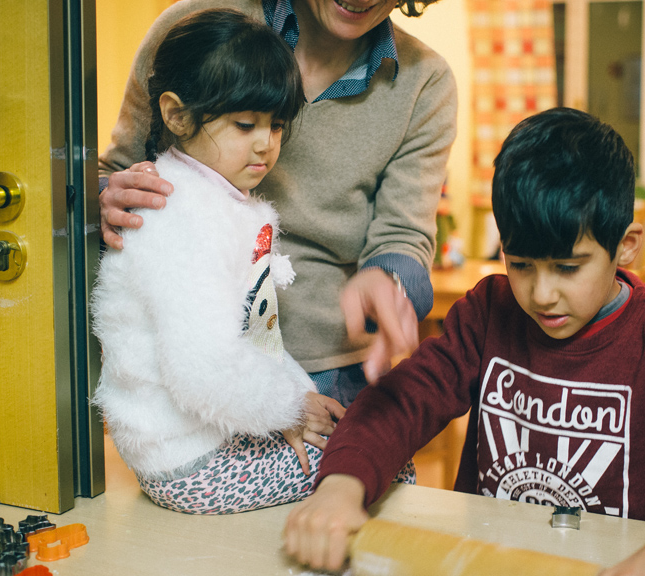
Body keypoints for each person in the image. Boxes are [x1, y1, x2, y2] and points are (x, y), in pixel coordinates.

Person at [283, 108, 645, 574]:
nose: (542, 294)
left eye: (567, 266)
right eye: (521, 264)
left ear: (626, 246)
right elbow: (402, 401)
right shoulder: (489, 312)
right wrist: (341, 487)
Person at [98, 0, 457, 405]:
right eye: (246, 125)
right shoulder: (191, 25)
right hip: (190, 363)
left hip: (331, 370)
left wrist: (390, 281)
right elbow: (113, 172)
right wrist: (108, 197)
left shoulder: (424, 81)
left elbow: (404, 236)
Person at [92, 9, 355, 515]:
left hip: (209, 438)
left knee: (358, 439)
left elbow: (259, 335)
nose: (266, 144)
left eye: (277, 126)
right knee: (373, 461)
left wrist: (299, 402)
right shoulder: (176, 214)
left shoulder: (219, 200)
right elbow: (203, 370)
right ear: (177, 114)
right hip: (190, 463)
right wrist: (292, 408)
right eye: (245, 124)